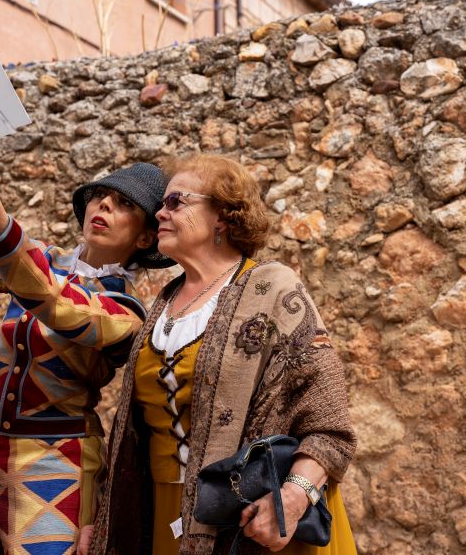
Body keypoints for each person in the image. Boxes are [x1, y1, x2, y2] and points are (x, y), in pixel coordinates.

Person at [0, 120, 172, 555]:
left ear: (146, 236)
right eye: (100, 195)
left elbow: (53, 299)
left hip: (57, 463)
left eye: (124, 203)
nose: (104, 204)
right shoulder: (42, 260)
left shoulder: (126, 312)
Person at [83, 154, 357, 555]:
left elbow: (329, 425)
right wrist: (102, 516)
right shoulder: (163, 303)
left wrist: (295, 497)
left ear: (222, 218)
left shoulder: (273, 288)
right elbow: (132, 435)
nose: (159, 212)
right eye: (162, 204)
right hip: (163, 512)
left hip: (259, 517)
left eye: (176, 202)